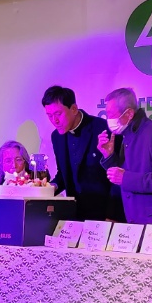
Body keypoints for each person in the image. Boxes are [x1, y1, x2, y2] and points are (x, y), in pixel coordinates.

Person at [98, 87, 152, 225]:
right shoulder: (128, 135)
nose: (108, 119)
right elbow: (125, 174)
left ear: (129, 113)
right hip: (139, 218)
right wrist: (109, 156)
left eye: (111, 115)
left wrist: (125, 177)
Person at [42, 85, 121, 220]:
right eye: (49, 116)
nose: (54, 121)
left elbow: (117, 175)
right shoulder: (56, 137)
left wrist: (112, 215)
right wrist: (50, 187)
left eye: (58, 114)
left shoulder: (103, 129)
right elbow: (63, 174)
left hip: (104, 214)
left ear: (73, 109)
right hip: (74, 214)